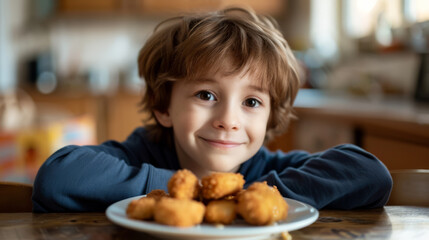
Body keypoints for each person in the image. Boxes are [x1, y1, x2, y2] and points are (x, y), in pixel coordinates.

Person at [32, 7, 392, 212]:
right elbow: (58, 177)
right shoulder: (138, 156)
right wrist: (182, 190)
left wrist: (252, 195)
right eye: (206, 95)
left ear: (270, 117)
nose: (228, 121)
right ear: (163, 107)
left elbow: (370, 173)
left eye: (251, 102)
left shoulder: (267, 174)